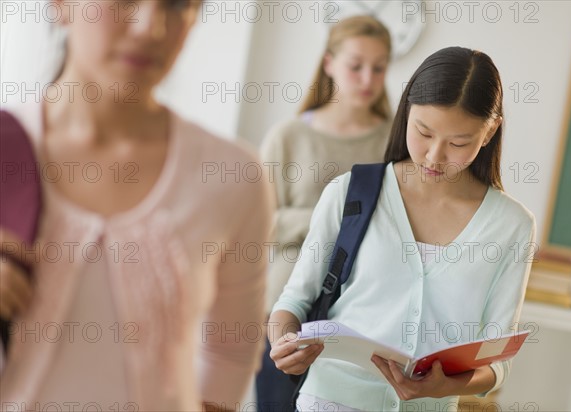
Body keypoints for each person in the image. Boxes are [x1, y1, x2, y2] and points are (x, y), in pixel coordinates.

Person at [0, 1, 273, 411]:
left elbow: (229, 353)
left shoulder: (233, 176)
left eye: (179, 4)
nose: (151, 26)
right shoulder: (7, 149)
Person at [268, 46, 536, 412]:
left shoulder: (512, 227)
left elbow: (497, 359)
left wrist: (446, 388)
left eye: (458, 143)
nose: (434, 156)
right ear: (406, 112)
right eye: (423, 132)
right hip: (329, 400)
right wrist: (283, 344)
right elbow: (293, 302)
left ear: (489, 133)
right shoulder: (349, 193)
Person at [256, 15, 393, 411]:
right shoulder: (289, 137)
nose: (367, 78)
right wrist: (327, 219)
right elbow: (259, 223)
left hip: (361, 317)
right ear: (329, 63)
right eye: (356, 65)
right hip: (285, 311)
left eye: (379, 67)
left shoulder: (394, 142)